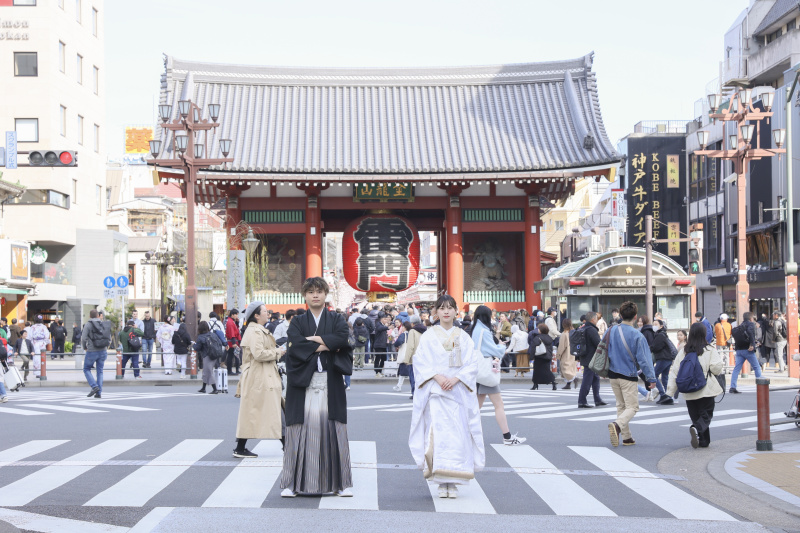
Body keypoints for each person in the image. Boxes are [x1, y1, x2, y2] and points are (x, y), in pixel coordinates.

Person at [281, 277, 353, 498]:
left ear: (325, 295)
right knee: (298, 431)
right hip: (304, 384)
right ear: (304, 295)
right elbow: (295, 345)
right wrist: (327, 345)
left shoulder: (336, 318)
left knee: (334, 429)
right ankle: (292, 484)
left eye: (319, 291)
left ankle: (340, 485)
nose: (315, 295)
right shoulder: (297, 322)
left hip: (329, 381)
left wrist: (316, 342)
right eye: (310, 291)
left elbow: (343, 339)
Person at [409, 294, 484, 499]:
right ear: (436, 312)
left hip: (457, 393)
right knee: (438, 436)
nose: (446, 311)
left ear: (456, 311)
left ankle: (455, 479)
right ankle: (441, 480)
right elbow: (420, 361)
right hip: (436, 392)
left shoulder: (463, 336)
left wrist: (457, 378)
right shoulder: (428, 335)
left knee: (458, 437)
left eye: (450, 308)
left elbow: (472, 363)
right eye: (442, 308)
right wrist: (437, 377)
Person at [233, 302, 285, 457]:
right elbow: (259, 354)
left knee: (252, 412)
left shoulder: (255, 330)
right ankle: (288, 445)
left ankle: (241, 448)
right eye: (264, 311)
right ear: (256, 315)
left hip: (259, 375)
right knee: (273, 410)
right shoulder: (255, 331)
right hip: (260, 376)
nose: (267, 313)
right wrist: (278, 352)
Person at [470, 305, 526, 446]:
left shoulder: (475, 329)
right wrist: (501, 346)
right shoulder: (484, 330)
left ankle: (465, 434)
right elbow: (494, 350)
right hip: (487, 372)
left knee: (476, 407)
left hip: (478, 371)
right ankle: (507, 437)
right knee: (498, 405)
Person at [606, 301, 658, 447]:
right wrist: (651, 378)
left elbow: (603, 349)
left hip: (612, 373)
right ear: (635, 317)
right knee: (632, 407)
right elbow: (644, 360)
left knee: (621, 406)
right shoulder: (637, 335)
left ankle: (627, 437)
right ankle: (617, 425)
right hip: (628, 374)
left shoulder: (610, 330)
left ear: (620, 315)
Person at [667, 322, 724, 448]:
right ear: (704, 334)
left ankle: (703, 441)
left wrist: (670, 392)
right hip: (705, 388)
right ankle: (696, 428)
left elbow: (675, 371)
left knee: (696, 415)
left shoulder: (684, 351)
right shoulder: (709, 349)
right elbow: (716, 369)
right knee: (706, 415)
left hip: (688, 390)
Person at [577, 312, 606, 408]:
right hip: (591, 358)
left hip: (585, 356)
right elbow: (598, 343)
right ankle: (582, 400)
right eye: (596, 319)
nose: (597, 321)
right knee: (587, 379)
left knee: (595, 378)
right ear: (593, 319)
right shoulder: (591, 330)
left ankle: (597, 399)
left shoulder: (584, 328)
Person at [729, 312, 762, 394]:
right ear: (751, 318)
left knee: (736, 369)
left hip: (739, 350)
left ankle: (732, 387)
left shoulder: (740, 326)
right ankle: (761, 386)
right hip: (748, 350)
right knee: (756, 367)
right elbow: (751, 334)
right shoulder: (751, 324)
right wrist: (752, 344)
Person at [650, 319, 677, 405]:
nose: (654, 325)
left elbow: (656, 347)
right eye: (653, 324)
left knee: (654, 375)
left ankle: (662, 394)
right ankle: (669, 396)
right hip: (668, 359)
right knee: (665, 377)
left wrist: (651, 347)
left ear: (661, 326)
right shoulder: (663, 335)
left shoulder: (659, 335)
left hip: (663, 358)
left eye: (656, 324)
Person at [194, 321, 221, 394]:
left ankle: (215, 389)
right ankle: (203, 388)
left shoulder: (200, 337)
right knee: (205, 371)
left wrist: (193, 345)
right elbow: (219, 342)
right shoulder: (213, 334)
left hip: (207, 356)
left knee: (208, 371)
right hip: (215, 354)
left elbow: (197, 348)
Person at [404, 315, 426, 400]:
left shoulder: (412, 331)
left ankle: (415, 393)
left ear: (412, 323)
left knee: (413, 377)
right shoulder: (425, 329)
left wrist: (406, 359)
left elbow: (410, 346)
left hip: (414, 358)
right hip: (423, 357)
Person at [528, 323, 555, 390]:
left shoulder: (537, 338)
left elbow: (533, 348)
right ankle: (553, 382)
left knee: (537, 371)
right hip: (547, 357)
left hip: (539, 356)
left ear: (540, 330)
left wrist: (531, 357)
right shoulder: (549, 338)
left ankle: (535, 384)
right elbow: (550, 348)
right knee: (546, 370)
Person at [557, 318, 577, 389]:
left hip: (566, 353)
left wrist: (559, 354)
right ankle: (568, 384)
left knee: (565, 368)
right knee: (571, 368)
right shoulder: (573, 332)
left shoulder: (564, 334)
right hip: (573, 352)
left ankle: (573, 378)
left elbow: (562, 346)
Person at [393, 322, 412, 392]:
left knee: (403, 372)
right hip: (411, 355)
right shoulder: (411, 334)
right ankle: (399, 386)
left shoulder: (403, 335)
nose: (402, 328)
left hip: (404, 355)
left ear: (405, 327)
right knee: (409, 372)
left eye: (403, 327)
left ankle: (399, 386)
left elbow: (398, 342)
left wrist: (396, 344)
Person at [225, 309, 242, 375]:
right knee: (231, 355)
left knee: (234, 355)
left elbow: (235, 330)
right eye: (236, 315)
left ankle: (236, 370)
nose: (237, 316)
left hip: (233, 340)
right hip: (232, 341)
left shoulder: (232, 321)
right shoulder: (230, 322)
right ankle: (229, 370)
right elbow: (232, 333)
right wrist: (234, 343)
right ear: (232, 315)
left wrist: (237, 322)